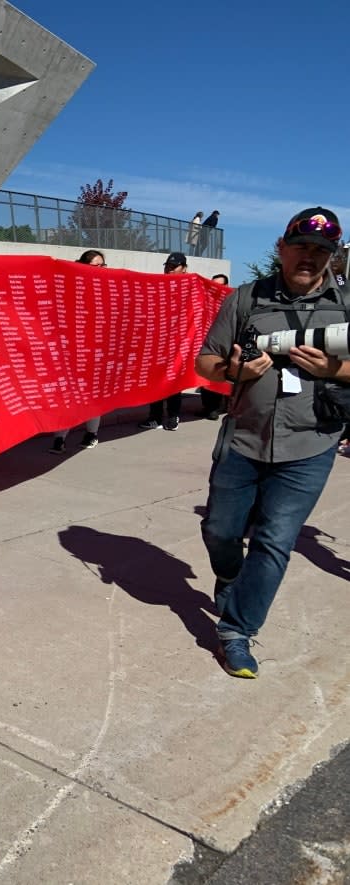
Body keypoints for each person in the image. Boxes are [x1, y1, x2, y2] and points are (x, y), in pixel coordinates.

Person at [195, 208, 349, 678]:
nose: (310, 256)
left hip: (311, 441)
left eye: (321, 250)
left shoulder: (346, 307)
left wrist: (331, 370)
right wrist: (234, 371)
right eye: (301, 246)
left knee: (275, 540)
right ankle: (228, 575)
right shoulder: (245, 299)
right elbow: (206, 362)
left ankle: (236, 631)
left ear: (333, 257)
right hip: (243, 435)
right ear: (282, 247)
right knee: (221, 531)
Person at [49, 249, 107, 453]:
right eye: (95, 266)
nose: (100, 270)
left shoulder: (108, 288)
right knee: (68, 396)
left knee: (92, 395)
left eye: (103, 266)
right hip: (71, 352)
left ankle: (91, 434)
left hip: (96, 352)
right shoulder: (70, 286)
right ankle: (60, 437)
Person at [138, 252, 189, 431]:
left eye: (173, 267)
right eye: (167, 266)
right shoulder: (157, 284)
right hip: (156, 344)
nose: (169, 269)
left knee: (174, 382)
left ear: (184, 269)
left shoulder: (190, 285)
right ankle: (155, 417)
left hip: (178, 344)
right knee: (155, 381)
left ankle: (173, 416)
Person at [198, 273, 232, 420]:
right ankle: (208, 408)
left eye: (220, 285)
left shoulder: (231, 302)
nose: (215, 288)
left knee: (219, 376)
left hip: (223, 345)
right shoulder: (205, 301)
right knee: (204, 377)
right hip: (206, 345)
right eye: (213, 284)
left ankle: (215, 408)